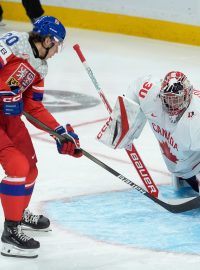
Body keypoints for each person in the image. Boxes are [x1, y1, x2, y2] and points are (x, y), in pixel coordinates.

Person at [0, 15, 83, 259]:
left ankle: (18, 212)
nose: (58, 50)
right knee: (17, 166)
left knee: (30, 168)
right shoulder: (13, 45)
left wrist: (60, 132)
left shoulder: (40, 67)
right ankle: (10, 233)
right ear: (47, 40)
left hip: (9, 121)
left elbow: (33, 107)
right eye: (57, 45)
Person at [97, 71, 200, 194]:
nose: (172, 105)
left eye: (176, 100)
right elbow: (136, 88)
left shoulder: (196, 118)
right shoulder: (150, 93)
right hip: (179, 167)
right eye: (168, 99)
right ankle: (183, 176)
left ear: (188, 95)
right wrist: (121, 122)